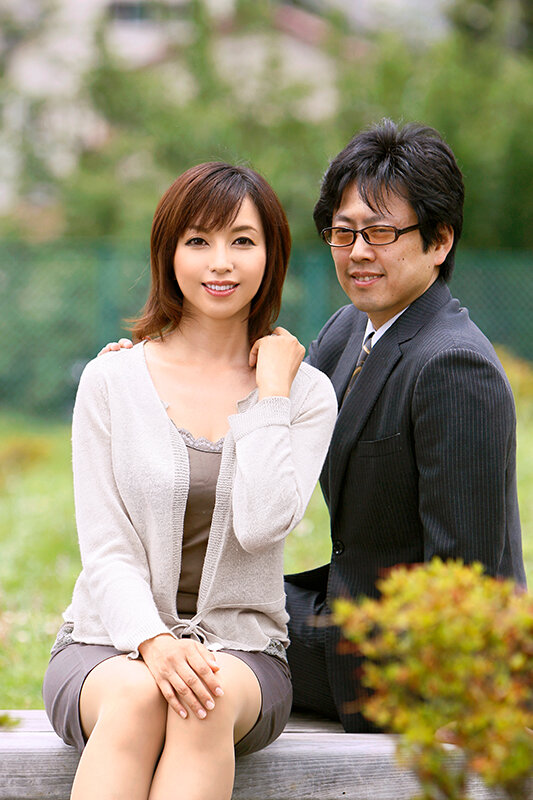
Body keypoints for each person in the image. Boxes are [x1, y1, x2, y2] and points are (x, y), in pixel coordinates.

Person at [100, 120, 526, 734]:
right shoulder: (351, 328)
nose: (358, 252)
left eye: (381, 232)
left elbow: (469, 581)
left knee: (188, 627)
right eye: (343, 232)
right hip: (347, 608)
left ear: (439, 241)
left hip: (409, 660)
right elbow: (261, 387)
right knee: (175, 611)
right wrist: (148, 370)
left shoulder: (454, 366)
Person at [43, 161, 337, 800]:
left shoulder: (305, 395)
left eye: (242, 240)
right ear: (169, 253)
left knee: (201, 701)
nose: (220, 263)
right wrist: (152, 641)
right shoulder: (111, 381)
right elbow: (106, 546)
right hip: (106, 644)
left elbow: (262, 524)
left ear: (271, 254)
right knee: (140, 697)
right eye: (198, 240)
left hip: (244, 655)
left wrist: (269, 396)